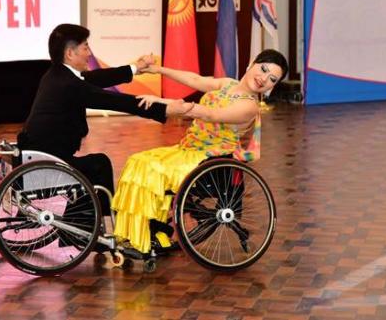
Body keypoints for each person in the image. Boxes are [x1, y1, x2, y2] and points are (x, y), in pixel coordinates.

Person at [111, 49, 288, 253]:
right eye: (263, 69)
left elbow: (211, 115)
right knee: (138, 161)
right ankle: (139, 233)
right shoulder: (227, 84)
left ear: (271, 88)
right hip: (188, 148)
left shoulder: (249, 106)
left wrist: (166, 103)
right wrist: (157, 69)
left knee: (153, 169)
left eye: (271, 79)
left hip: (209, 157)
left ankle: (156, 233)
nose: (263, 78)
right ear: (251, 64)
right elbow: (194, 79)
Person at [17, 23, 191, 216]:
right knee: (99, 165)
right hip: (49, 162)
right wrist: (165, 109)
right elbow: (115, 101)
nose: (89, 53)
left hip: (40, 154)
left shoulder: (56, 75)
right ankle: (91, 226)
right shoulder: (68, 84)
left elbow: (96, 78)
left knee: (92, 166)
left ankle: (82, 230)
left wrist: (136, 68)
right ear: (70, 53)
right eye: (85, 47)